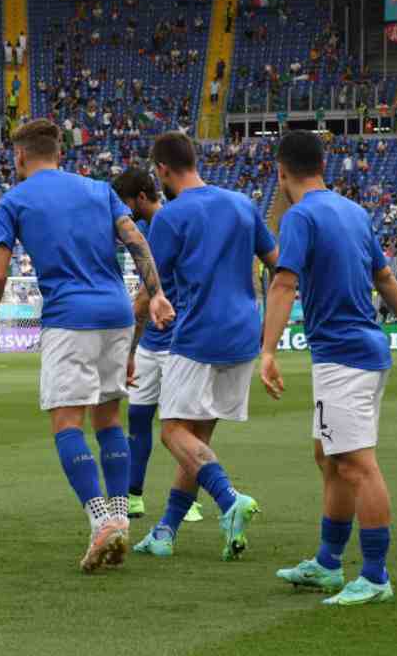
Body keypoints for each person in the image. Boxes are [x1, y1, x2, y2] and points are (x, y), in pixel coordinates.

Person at [0, 119, 173, 573]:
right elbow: (137, 240)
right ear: (59, 153)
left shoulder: (14, 200)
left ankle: (100, 520)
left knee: (67, 422)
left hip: (70, 318)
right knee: (108, 418)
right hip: (117, 314)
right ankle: (121, 516)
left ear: (20, 156)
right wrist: (156, 293)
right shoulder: (99, 190)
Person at [260, 132, 397, 606]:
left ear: (281, 173)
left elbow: (284, 284)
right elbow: (384, 278)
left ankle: (377, 575)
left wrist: (267, 351)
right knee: (330, 458)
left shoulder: (300, 216)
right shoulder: (353, 211)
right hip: (358, 350)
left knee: (357, 465)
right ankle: (327, 562)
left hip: (344, 355)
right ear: (323, 165)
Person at [132, 132, 277, 562]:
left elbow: (150, 287)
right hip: (243, 335)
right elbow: (277, 264)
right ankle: (164, 533)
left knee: (172, 431)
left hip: (198, 335)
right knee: (197, 442)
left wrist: (126, 330)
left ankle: (230, 499)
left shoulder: (171, 217)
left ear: (161, 171)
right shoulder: (242, 204)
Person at [110, 169, 202, 524]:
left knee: (182, 427)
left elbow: (146, 295)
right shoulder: (150, 230)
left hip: (180, 343)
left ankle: (188, 498)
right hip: (152, 342)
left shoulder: (172, 225)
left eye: (127, 203)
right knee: (139, 419)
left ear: (142, 198)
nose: (124, 211)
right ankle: (134, 495)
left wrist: (127, 347)